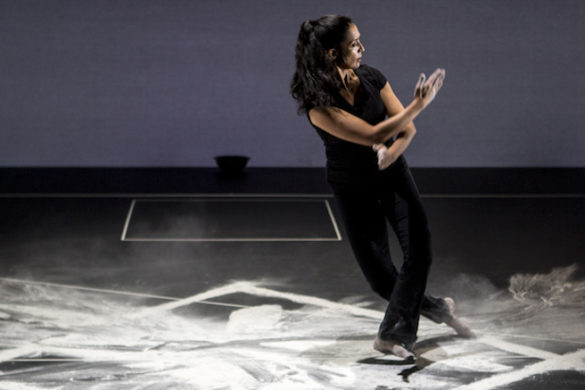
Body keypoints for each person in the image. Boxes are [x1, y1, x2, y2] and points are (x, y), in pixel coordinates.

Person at [290, 15, 474, 360]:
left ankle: (393, 335)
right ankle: (437, 308)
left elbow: (406, 131)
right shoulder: (319, 105)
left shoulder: (372, 76)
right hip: (352, 187)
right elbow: (374, 134)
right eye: (354, 44)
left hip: (393, 177)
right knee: (380, 278)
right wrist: (418, 105)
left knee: (419, 251)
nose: (362, 48)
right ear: (332, 53)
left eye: (360, 41)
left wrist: (391, 156)